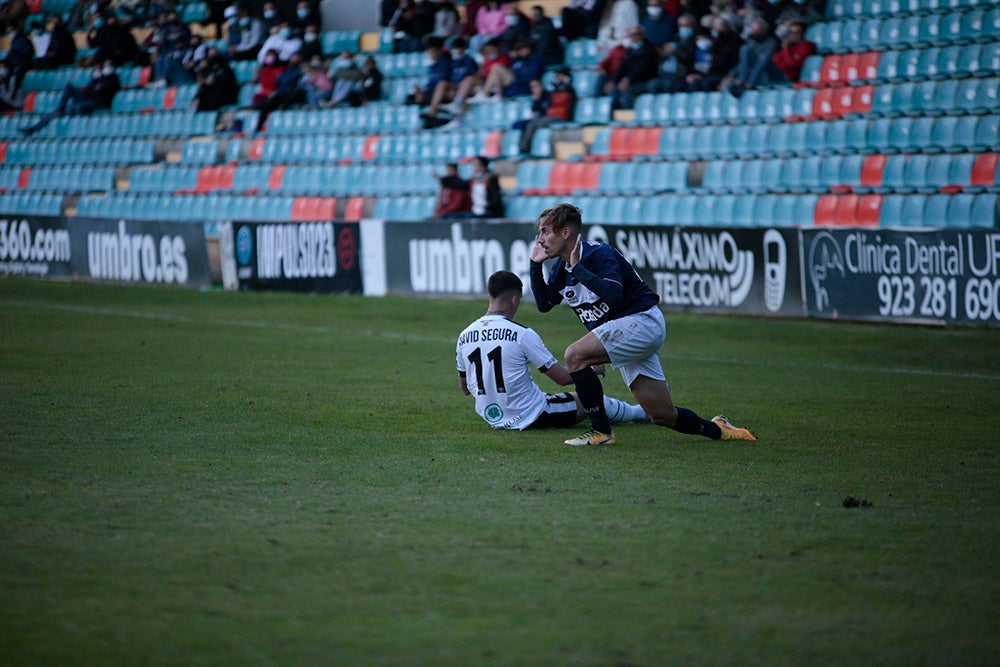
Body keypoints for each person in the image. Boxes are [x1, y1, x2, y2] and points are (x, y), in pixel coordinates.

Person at [529, 202, 756, 446]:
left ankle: (601, 432)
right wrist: (535, 265)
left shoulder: (598, 254)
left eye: (545, 231)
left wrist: (579, 269)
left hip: (641, 322)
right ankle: (718, 429)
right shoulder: (561, 269)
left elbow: (614, 294)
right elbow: (544, 304)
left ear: (565, 233)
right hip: (622, 332)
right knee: (662, 415)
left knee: (574, 355)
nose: (540, 239)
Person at [457, 270, 649, 431]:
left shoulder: (464, 335)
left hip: (491, 417)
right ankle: (639, 413)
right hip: (534, 415)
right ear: (514, 300)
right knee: (589, 398)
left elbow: (465, 388)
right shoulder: (521, 334)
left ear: (490, 295)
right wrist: (592, 370)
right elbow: (563, 378)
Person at [20, 59, 121, 135]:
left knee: (77, 106)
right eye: (104, 65)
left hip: (100, 103)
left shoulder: (113, 79)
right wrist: (95, 81)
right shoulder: (98, 78)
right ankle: (35, 128)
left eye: (109, 65)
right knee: (69, 89)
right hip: (89, 100)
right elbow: (90, 89)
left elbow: (103, 91)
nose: (105, 67)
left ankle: (76, 127)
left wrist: (96, 88)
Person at [514, 68, 575, 154]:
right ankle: (524, 148)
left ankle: (528, 148)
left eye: (561, 76)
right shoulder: (553, 90)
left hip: (560, 116)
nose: (558, 78)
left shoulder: (569, 90)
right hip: (550, 115)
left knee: (536, 124)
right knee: (529, 124)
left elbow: (569, 105)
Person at [722, 15, 787, 96]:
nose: (755, 33)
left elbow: (764, 61)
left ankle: (748, 84)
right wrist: (732, 74)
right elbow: (743, 62)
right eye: (754, 30)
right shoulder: (751, 42)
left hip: (771, 73)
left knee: (764, 57)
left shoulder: (772, 42)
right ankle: (743, 81)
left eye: (758, 30)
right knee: (744, 48)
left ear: (764, 30)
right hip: (755, 75)